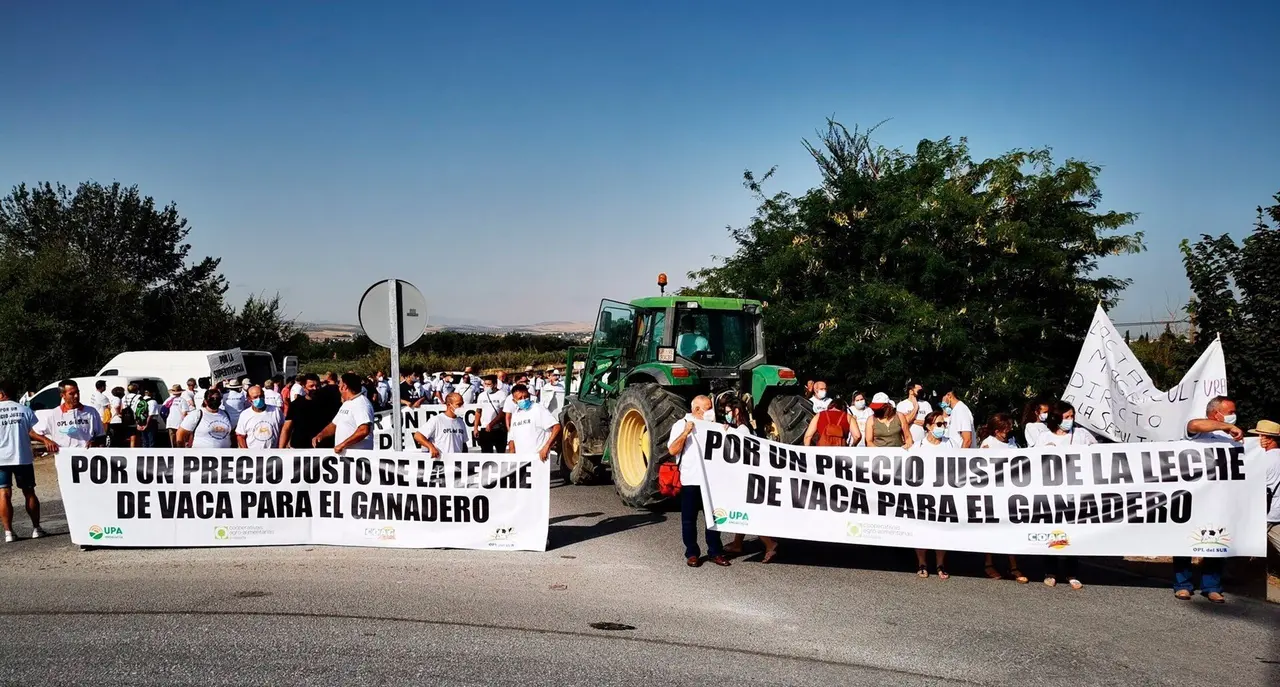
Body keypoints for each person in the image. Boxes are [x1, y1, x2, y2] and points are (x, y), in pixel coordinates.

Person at [1171, 396, 1243, 603]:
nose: (1233, 416)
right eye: (1229, 412)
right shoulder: (1197, 433)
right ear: (1216, 413)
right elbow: (1193, 424)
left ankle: (1211, 586)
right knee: (1185, 540)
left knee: (1216, 542)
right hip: (1191, 497)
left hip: (1219, 499)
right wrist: (1226, 427)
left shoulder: (1230, 438)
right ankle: (1183, 585)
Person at [1029, 401, 1090, 590]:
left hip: (1074, 494)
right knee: (1053, 531)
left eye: (1072, 416)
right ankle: (1051, 571)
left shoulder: (1081, 435)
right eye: (1066, 417)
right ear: (1057, 418)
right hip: (1052, 494)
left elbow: (1097, 456)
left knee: (1073, 531)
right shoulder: (1044, 437)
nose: (1070, 420)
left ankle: (1072, 572)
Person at [668, 395, 728, 567]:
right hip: (690, 480)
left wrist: (726, 431)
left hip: (711, 481)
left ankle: (715, 551)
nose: (711, 411)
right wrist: (686, 432)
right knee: (689, 520)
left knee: (714, 518)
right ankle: (692, 553)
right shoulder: (681, 424)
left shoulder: (714, 424)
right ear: (696, 410)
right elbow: (673, 450)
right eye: (707, 408)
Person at [722, 400, 779, 563]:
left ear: (737, 412)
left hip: (745, 478)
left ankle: (770, 543)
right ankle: (737, 543)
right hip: (745, 477)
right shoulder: (743, 429)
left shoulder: (742, 430)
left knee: (749, 513)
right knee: (742, 511)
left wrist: (726, 435)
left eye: (728, 411)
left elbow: (739, 452)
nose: (726, 415)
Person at [0, 381, 58, 542]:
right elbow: (32, 432)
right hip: (22, 457)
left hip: (1, 459)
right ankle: (36, 528)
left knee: (4, 493)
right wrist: (46, 440)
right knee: (29, 492)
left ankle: (9, 532)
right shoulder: (24, 409)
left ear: (1, 394)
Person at [976, 412, 1027, 583]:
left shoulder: (1013, 443)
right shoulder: (988, 444)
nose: (1007, 432)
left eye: (1008, 428)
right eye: (1003, 429)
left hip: (1010, 492)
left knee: (1010, 528)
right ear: (995, 430)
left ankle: (1013, 565)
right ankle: (988, 563)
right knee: (991, 529)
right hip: (992, 492)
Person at [915, 411, 958, 578]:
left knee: (941, 529)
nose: (943, 427)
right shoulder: (918, 446)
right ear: (928, 426)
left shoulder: (951, 444)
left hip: (944, 493)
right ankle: (922, 563)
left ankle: (940, 564)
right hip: (924, 493)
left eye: (944, 424)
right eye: (939, 424)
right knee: (922, 529)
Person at [33, 380, 105, 450]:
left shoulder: (91, 412)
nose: (76, 396)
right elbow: (32, 432)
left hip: (87, 458)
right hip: (64, 459)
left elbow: (101, 435)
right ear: (62, 395)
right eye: (72, 394)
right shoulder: (54, 414)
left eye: (77, 392)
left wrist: (94, 442)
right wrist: (46, 441)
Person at [313, 373, 375, 453]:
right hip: (345, 457)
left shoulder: (361, 403)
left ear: (344, 387)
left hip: (357, 458)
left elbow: (364, 430)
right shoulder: (347, 403)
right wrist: (321, 434)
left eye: (339, 385)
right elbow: (334, 424)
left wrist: (343, 444)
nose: (338, 388)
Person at [1250, 420, 1280, 561]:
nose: (1257, 439)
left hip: (1263, 511)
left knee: (1243, 543)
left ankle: (1229, 575)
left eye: (1259, 436)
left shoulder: (1263, 459)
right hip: (1276, 510)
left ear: (1268, 439)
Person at [506, 384, 560, 462]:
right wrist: (511, 459)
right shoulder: (515, 415)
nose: (524, 399)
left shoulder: (538, 409)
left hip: (538, 460)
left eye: (526, 396)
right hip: (521, 461)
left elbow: (556, 427)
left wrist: (546, 447)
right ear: (514, 401)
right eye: (520, 398)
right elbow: (512, 438)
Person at [415, 393, 469, 457]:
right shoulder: (437, 419)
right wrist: (431, 447)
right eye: (459, 404)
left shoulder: (461, 422)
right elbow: (418, 435)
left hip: (456, 462)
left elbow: (463, 443)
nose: (461, 407)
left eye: (462, 404)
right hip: (441, 462)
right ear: (449, 405)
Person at [280, 374, 326, 449]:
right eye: (311, 386)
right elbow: (287, 428)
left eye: (317, 386)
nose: (315, 388)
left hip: (319, 449)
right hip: (298, 448)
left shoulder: (326, 403)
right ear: (304, 387)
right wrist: (280, 450)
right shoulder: (296, 404)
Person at [235, 385, 283, 449]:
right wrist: (246, 453)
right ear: (249, 399)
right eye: (255, 397)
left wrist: (282, 448)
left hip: (273, 454)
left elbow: (284, 429)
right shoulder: (245, 415)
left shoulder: (276, 411)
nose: (259, 399)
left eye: (261, 396)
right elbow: (240, 436)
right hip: (253, 455)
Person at [474, 376, 509, 453]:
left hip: (498, 429)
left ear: (495, 384)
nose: (486, 386)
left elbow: (502, 412)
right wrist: (475, 428)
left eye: (489, 384)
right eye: (485, 384)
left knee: (500, 453)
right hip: (484, 428)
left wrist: (491, 424)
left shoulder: (502, 395)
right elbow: (478, 411)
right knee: (486, 453)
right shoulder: (481, 395)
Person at [897, 381, 932, 445]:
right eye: (918, 390)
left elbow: (930, 423)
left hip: (922, 441)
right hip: (907, 442)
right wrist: (916, 407)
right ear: (910, 391)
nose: (921, 392)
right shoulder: (901, 405)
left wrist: (911, 420)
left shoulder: (926, 404)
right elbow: (901, 423)